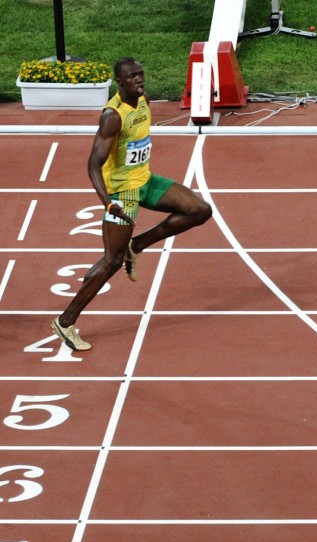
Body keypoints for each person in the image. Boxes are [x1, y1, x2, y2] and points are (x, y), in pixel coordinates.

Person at [50, 57, 212, 351]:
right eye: (133, 77)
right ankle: (65, 322)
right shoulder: (112, 116)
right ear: (120, 82)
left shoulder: (143, 101)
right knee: (110, 261)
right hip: (123, 194)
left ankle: (136, 246)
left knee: (199, 210)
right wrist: (108, 203)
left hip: (146, 181)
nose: (140, 80)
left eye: (141, 74)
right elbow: (93, 165)